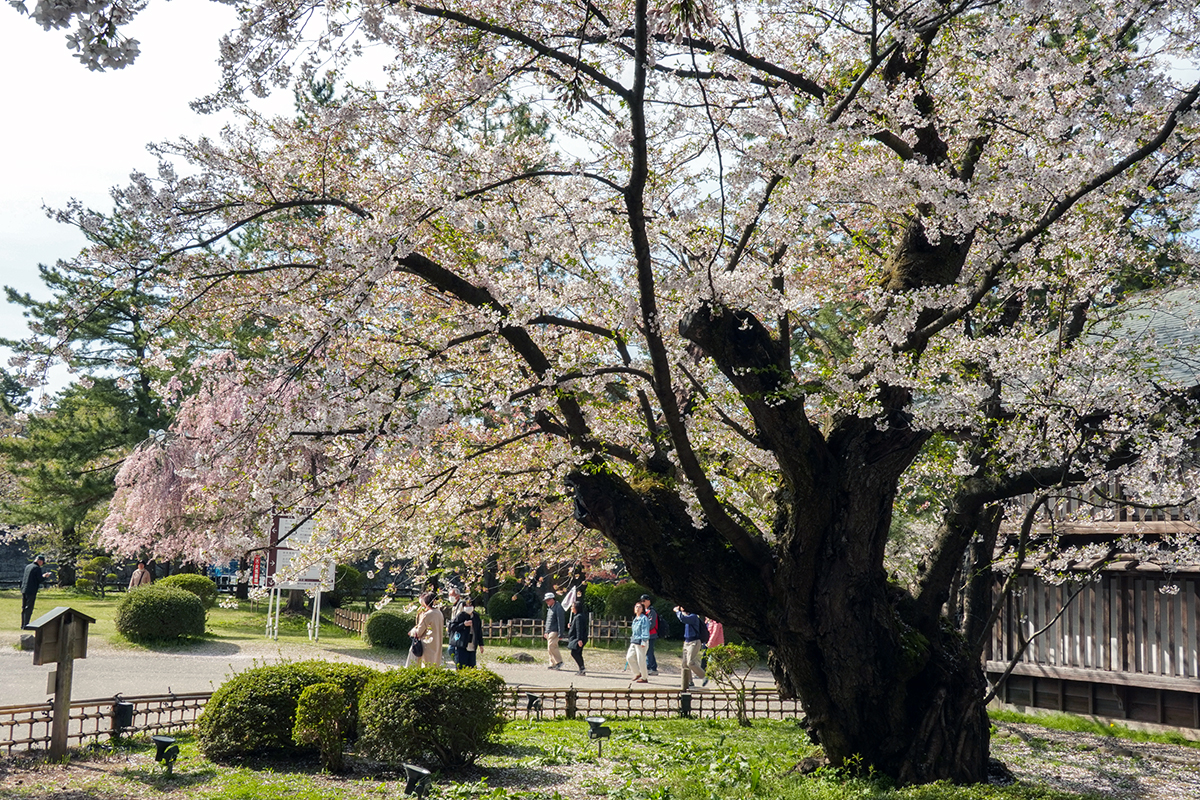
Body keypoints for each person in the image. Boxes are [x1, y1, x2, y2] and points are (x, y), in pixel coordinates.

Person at [407, 591, 445, 667]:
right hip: (437, 643)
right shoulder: (439, 613)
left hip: (426, 645)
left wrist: (412, 632)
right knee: (434, 665)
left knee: (424, 665)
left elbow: (419, 632)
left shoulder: (428, 614)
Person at [448, 596, 484, 668]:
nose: (468, 607)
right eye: (466, 605)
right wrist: (463, 624)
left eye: (470, 605)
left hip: (472, 645)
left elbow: (479, 631)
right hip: (462, 644)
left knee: (472, 666)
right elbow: (452, 626)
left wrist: (481, 644)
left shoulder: (476, 616)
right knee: (461, 666)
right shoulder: (461, 615)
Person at [20, 555, 52, 630]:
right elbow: (40, 580)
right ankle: (26, 625)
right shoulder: (37, 568)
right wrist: (45, 576)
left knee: (24, 608)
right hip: (31, 590)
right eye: (42, 562)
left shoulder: (28, 566)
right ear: (40, 561)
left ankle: (22, 624)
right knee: (29, 608)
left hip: (24, 589)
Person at [675, 605, 706, 682]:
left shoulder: (694, 616)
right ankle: (688, 682)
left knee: (690, 662)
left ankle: (704, 676)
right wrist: (680, 612)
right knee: (684, 664)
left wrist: (677, 611)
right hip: (687, 641)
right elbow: (683, 616)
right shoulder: (688, 615)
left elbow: (683, 619)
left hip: (694, 642)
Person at [543, 591, 566, 670]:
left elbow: (561, 620)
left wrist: (561, 633)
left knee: (552, 646)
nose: (547, 602)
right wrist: (546, 631)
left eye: (548, 600)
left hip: (555, 630)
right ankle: (552, 663)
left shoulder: (558, 607)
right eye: (546, 600)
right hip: (550, 630)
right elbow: (548, 620)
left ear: (552, 599)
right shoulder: (550, 608)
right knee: (550, 648)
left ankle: (559, 662)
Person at [566, 597, 589, 675]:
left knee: (574, 653)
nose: (571, 608)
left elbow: (579, 629)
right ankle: (581, 669)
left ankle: (582, 668)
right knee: (578, 653)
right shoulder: (579, 616)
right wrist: (571, 625)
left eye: (573, 606)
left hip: (578, 638)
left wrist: (579, 640)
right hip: (580, 638)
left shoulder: (578, 617)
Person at [629, 601, 650, 683]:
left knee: (641, 660)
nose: (637, 608)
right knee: (629, 657)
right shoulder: (635, 619)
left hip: (641, 642)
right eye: (636, 607)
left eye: (639, 607)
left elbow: (645, 630)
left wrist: (644, 641)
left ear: (642, 609)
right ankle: (637, 673)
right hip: (634, 641)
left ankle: (644, 677)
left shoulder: (644, 618)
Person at [445, 585, 465, 664]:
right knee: (451, 650)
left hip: (459, 629)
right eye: (449, 595)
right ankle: (458, 663)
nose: (450, 597)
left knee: (452, 649)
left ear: (458, 596)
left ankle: (459, 664)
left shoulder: (462, 604)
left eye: (452, 595)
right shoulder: (454, 606)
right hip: (454, 629)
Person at [702, 617, 725, 686]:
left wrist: (710, 642)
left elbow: (715, 633)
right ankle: (708, 674)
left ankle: (708, 675)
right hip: (710, 645)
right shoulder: (708, 621)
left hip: (717, 645)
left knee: (716, 660)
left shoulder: (716, 622)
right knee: (711, 660)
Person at [640, 593, 660, 674]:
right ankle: (649, 667)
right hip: (645, 634)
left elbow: (652, 624)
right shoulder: (644, 612)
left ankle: (653, 668)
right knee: (646, 651)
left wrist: (645, 629)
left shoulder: (652, 612)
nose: (643, 602)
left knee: (649, 651)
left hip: (651, 634)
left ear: (648, 601)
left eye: (644, 601)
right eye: (642, 601)